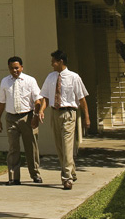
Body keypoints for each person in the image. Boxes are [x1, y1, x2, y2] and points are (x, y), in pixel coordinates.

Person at [35, 49, 90, 190]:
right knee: (59, 147)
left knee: (67, 145)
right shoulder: (51, 77)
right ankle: (71, 171)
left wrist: (86, 117)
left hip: (69, 113)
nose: (51, 64)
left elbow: (82, 98)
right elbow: (46, 97)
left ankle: (66, 178)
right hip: (55, 113)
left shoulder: (74, 77)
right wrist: (41, 110)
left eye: (53, 61)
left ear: (60, 62)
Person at [0, 55, 42, 185]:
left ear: (21, 67)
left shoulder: (30, 80)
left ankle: (35, 174)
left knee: (31, 147)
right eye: (11, 68)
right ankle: (14, 177)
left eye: (17, 68)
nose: (14, 71)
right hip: (11, 117)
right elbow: (1, 101)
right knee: (13, 147)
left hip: (27, 117)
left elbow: (37, 99)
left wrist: (36, 116)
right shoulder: (5, 81)